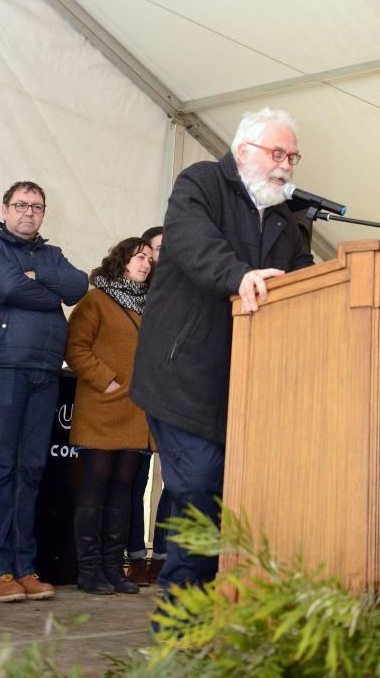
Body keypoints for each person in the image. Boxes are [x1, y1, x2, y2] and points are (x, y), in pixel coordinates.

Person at [130, 108, 314, 593]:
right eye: (277, 153)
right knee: (200, 490)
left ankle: (210, 621)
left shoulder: (285, 222)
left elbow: (304, 282)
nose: (286, 165)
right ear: (242, 150)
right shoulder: (201, 183)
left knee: (228, 501)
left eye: (292, 156)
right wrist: (240, 276)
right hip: (181, 376)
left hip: (246, 385)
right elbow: (193, 244)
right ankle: (179, 629)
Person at [0, 180, 88, 602]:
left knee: (31, 469)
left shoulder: (50, 254)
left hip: (44, 368)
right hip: (0, 365)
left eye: (37, 207)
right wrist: (40, 287)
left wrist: (40, 275)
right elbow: (7, 288)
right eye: (21, 205)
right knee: (0, 467)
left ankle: (24, 566)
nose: (29, 213)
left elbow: (78, 286)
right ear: (4, 208)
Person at [66, 237, 154, 595]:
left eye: (149, 258)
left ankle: (112, 569)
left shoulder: (150, 306)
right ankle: (88, 571)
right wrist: (106, 381)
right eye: (139, 257)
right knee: (96, 486)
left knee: (124, 490)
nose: (146, 264)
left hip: (136, 410)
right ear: (121, 261)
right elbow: (75, 348)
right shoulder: (96, 299)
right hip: (102, 407)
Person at [126, 226, 172, 586]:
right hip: (136, 399)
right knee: (136, 479)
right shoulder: (131, 297)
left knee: (175, 480)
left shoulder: (174, 293)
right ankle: (135, 557)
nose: (154, 258)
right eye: (150, 250)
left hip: (172, 397)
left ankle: (163, 556)